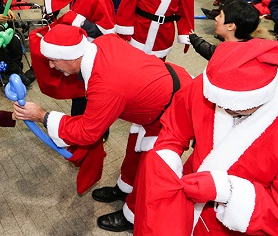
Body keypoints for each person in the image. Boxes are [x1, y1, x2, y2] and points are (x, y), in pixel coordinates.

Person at [13, 24, 192, 232]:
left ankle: (132, 214)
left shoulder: (105, 84)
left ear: (71, 57)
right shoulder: (101, 43)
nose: (52, 67)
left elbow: (87, 132)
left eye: (54, 60)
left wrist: (42, 116)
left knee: (149, 170)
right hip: (162, 92)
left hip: (175, 112)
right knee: (135, 149)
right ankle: (125, 188)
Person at [134, 39, 278, 235]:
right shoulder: (214, 85)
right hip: (190, 191)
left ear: (263, 95)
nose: (224, 108)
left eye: (236, 107)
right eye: (220, 102)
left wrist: (227, 190)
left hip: (234, 226)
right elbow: (176, 123)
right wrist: (168, 153)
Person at [190, 0, 260, 60]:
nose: (216, 18)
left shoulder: (228, 53)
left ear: (230, 26)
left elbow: (209, 52)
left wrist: (194, 39)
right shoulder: (248, 45)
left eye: (220, 16)